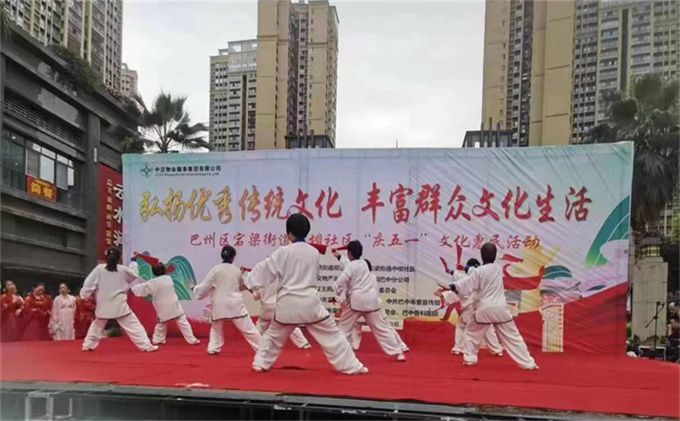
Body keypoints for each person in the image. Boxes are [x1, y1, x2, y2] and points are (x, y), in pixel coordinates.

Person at [245, 214, 367, 374]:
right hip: (310, 303)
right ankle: (353, 366)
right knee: (333, 335)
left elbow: (264, 270)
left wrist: (248, 280)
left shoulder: (282, 252)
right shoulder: (314, 252)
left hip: (287, 304)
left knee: (273, 336)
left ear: (288, 233)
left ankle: (260, 363)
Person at [438, 243, 538, 370]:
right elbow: (472, 277)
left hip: (484, 310)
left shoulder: (478, 272)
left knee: (471, 333)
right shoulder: (497, 269)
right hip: (501, 309)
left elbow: (468, 283)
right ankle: (528, 363)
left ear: (481, 256)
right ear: (495, 256)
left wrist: (453, 287)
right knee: (514, 337)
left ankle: (470, 359)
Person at [333, 241, 405, 361]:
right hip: (371, 300)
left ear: (349, 253)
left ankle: (340, 352)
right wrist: (339, 256)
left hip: (357, 301)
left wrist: (337, 293)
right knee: (382, 328)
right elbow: (350, 266)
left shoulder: (351, 266)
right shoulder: (364, 264)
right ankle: (398, 352)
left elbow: (341, 280)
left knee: (343, 327)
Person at [80, 247, 157, 352]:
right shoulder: (123, 270)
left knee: (96, 326)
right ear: (119, 258)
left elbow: (88, 284)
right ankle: (146, 346)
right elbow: (135, 274)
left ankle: (87, 345)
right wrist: (133, 262)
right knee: (134, 326)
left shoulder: (99, 269)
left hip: (103, 306)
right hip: (119, 306)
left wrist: (84, 295)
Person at [193, 245, 261, 355]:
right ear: (233, 257)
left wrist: (195, 289)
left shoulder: (215, 270)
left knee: (216, 327)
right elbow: (241, 286)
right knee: (249, 329)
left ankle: (213, 348)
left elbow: (205, 286)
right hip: (235, 304)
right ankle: (262, 348)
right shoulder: (236, 271)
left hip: (219, 303)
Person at [131, 263, 199, 346]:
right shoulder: (168, 278)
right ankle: (192, 340)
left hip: (162, 306)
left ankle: (158, 339)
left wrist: (132, 289)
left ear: (153, 272)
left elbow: (143, 288)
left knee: (161, 324)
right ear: (164, 270)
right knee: (183, 322)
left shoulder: (152, 283)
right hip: (174, 304)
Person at [446, 259, 502, 357]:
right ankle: (496, 350)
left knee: (462, 326)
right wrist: (452, 271)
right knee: (487, 328)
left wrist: (451, 271)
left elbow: (459, 280)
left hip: (470, 309)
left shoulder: (466, 279)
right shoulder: (483, 278)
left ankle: (458, 348)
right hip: (481, 308)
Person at [251, 279, 311, 350]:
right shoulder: (279, 281)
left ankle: (257, 342)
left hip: (265, 309)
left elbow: (255, 297)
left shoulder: (260, 283)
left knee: (260, 325)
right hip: (277, 307)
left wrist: (253, 291)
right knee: (289, 325)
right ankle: (303, 343)